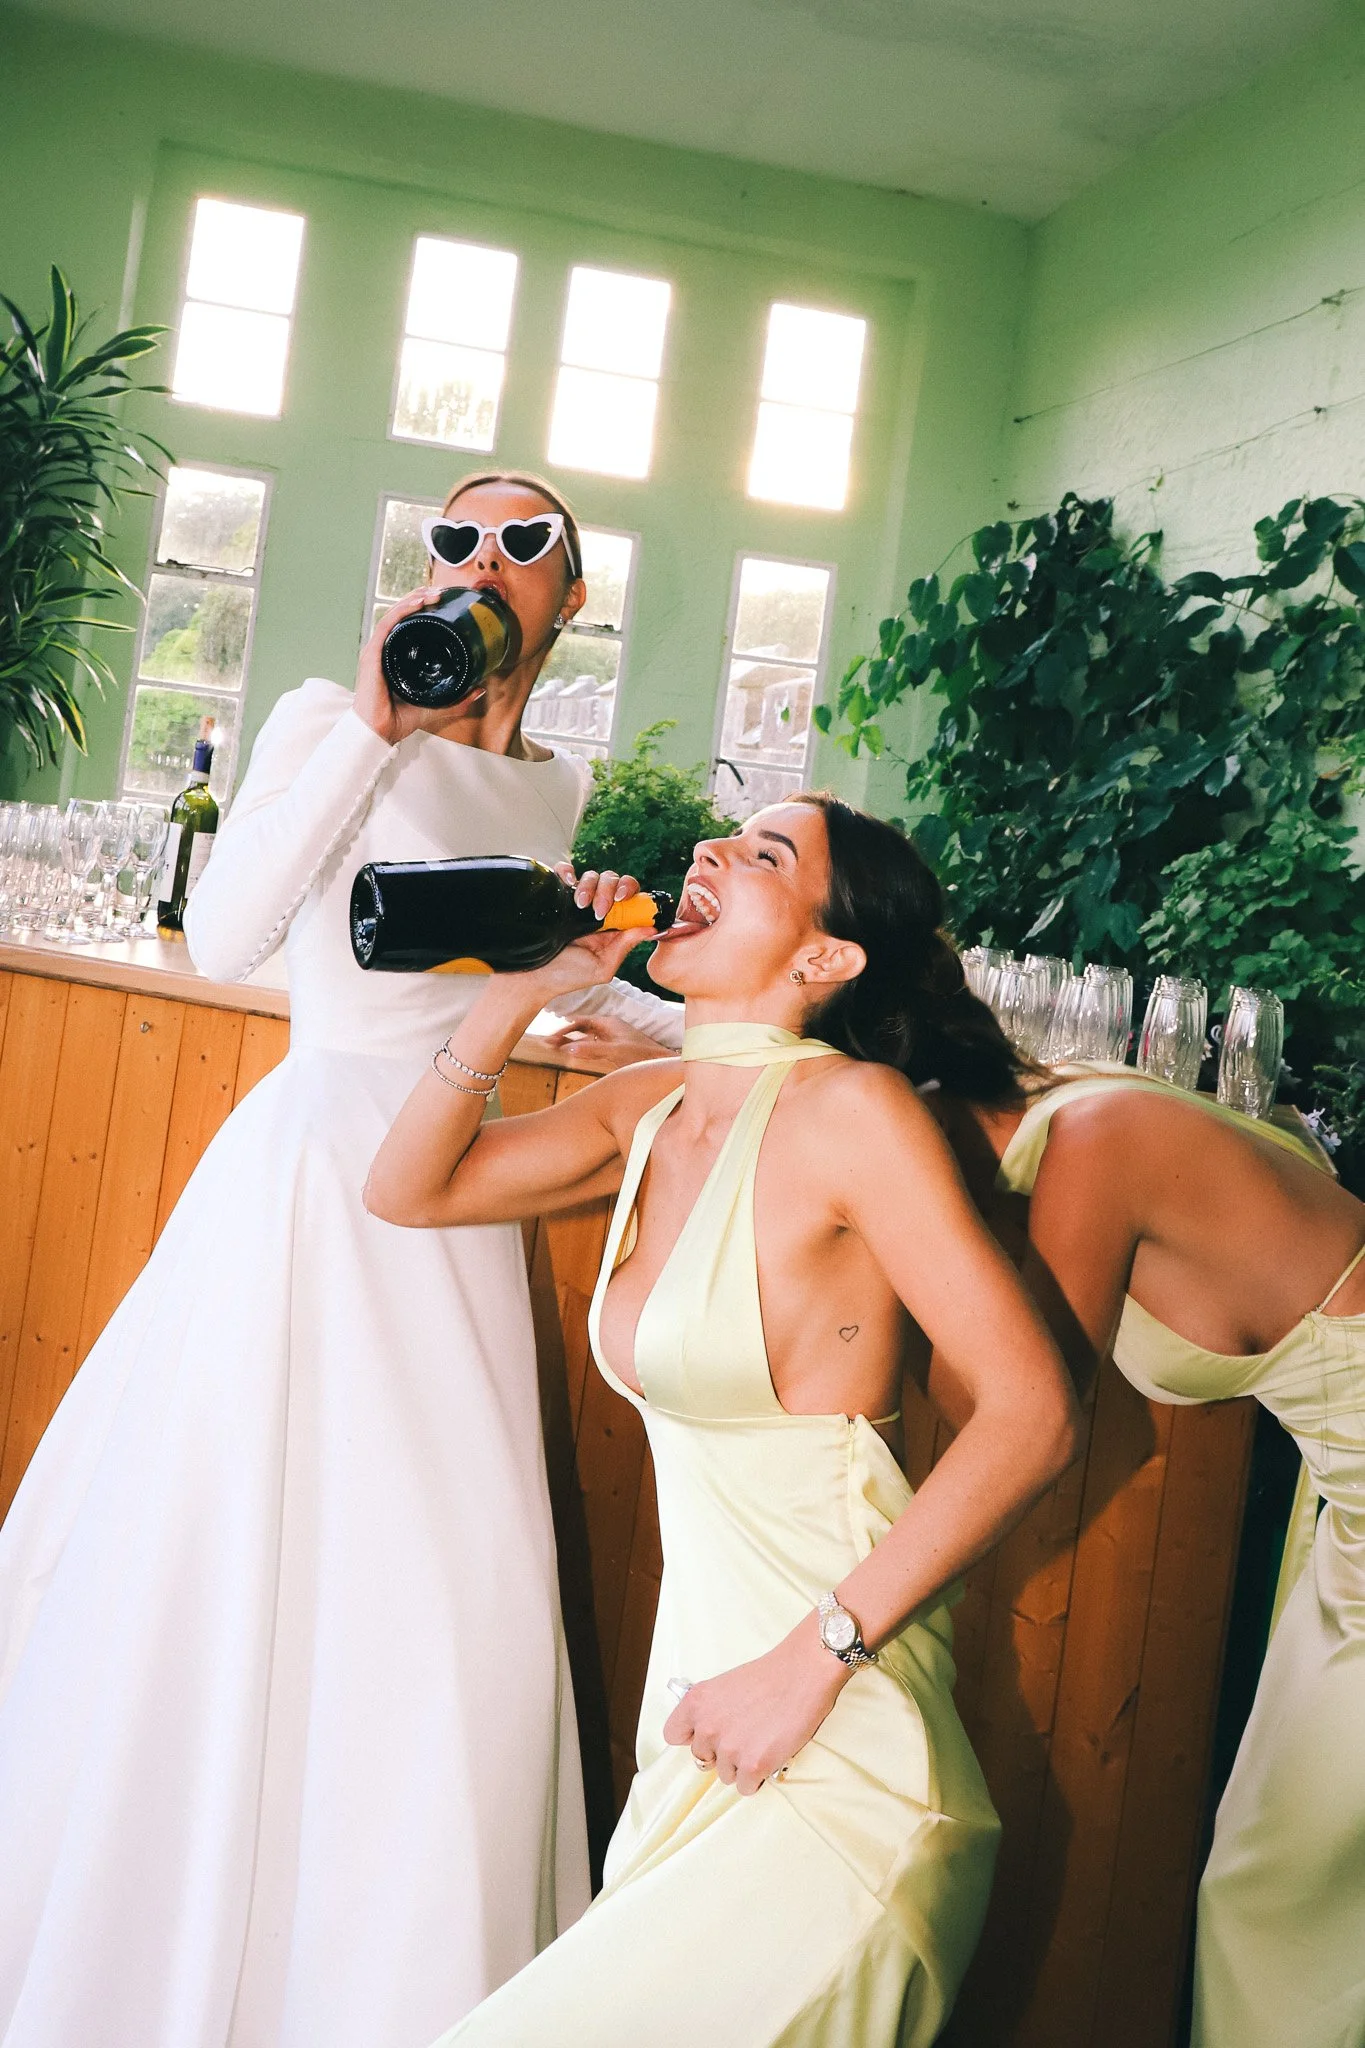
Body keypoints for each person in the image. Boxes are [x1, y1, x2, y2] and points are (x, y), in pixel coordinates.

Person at [0, 471, 683, 2048]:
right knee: (228, 1562)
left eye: (526, 543)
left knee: (447, 1597)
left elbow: (540, 986)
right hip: (312, 1185)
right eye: (455, 538)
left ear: (571, 598)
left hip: (446, 1202)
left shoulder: (554, 791)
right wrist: (375, 732)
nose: (483, 563)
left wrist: (737, 1027)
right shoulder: (329, 715)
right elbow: (233, 935)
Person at [365, 793, 1081, 2047]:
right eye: (722, 835)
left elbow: (1033, 1413)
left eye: (763, 854)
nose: (708, 850)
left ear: (825, 958)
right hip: (701, 1743)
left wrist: (813, 1659)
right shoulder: (647, 1104)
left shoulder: (854, 1112)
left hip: (841, 1751)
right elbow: (407, 1188)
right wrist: (515, 992)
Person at [920, 1034, 1365, 2048]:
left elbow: (1005, 1406)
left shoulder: (1091, 1138)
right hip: (1349, 1511)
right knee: (1286, 1903)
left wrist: (903, 1236)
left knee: (1279, 1904)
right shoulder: (1080, 1107)